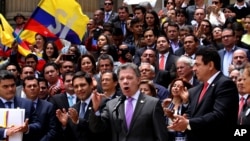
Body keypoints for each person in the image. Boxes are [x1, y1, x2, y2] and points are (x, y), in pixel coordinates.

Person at [168, 47, 239, 141]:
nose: (194, 69)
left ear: (210, 65)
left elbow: (219, 115)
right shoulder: (195, 90)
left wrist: (189, 122)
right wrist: (181, 120)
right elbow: (191, 114)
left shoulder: (225, 84)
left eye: (197, 65)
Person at [89, 63, 168, 141]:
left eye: (129, 78)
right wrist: (96, 109)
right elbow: (97, 128)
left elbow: (161, 136)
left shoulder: (153, 104)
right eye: (122, 79)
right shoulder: (112, 104)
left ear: (138, 80)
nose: (125, 81)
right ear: (119, 82)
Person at [0, 70, 41, 141]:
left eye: (12, 85)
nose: (10, 89)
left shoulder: (27, 103)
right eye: (5, 86)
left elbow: (38, 125)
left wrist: (27, 128)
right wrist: (5, 132)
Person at [23, 76, 57, 141]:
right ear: (24, 90)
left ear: (38, 88)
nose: (32, 88)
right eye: (29, 86)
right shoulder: (19, 105)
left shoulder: (48, 106)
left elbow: (53, 130)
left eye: (34, 86)